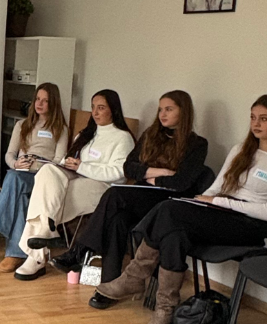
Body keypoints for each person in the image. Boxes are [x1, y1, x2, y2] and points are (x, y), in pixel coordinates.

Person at [94, 94, 267, 324]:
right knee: (174, 232)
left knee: (169, 210)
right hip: (220, 213)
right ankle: (165, 309)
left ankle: (135, 276)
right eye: (253, 117)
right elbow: (216, 188)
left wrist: (219, 202)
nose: (256, 124)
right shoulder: (240, 150)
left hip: (250, 225)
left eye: (264, 119)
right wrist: (200, 200)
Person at [54, 92, 209, 302]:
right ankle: (108, 286)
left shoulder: (197, 144)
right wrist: (159, 173)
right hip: (142, 195)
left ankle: (80, 250)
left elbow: (182, 183)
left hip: (168, 203)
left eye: (169, 109)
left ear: (184, 111)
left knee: (114, 193)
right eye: (160, 109)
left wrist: (149, 177)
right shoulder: (150, 135)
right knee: (117, 220)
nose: (162, 114)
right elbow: (129, 168)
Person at [14, 89, 136, 281]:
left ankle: (36, 255)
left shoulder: (123, 138)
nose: (95, 112)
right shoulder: (86, 134)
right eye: (93, 107)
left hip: (103, 187)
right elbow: (68, 158)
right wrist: (67, 163)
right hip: (76, 176)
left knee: (52, 196)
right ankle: (46, 230)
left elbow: (119, 174)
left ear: (113, 110)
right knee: (47, 172)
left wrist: (82, 167)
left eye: (101, 108)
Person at [0, 83, 68, 272]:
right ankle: (15, 253)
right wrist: (16, 163)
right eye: (37, 99)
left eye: (45, 101)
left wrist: (37, 164)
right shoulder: (22, 125)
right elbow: (9, 154)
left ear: (53, 103)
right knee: (19, 192)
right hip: (21, 172)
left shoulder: (60, 129)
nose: (39, 104)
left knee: (14, 179)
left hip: (43, 177)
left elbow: (59, 161)